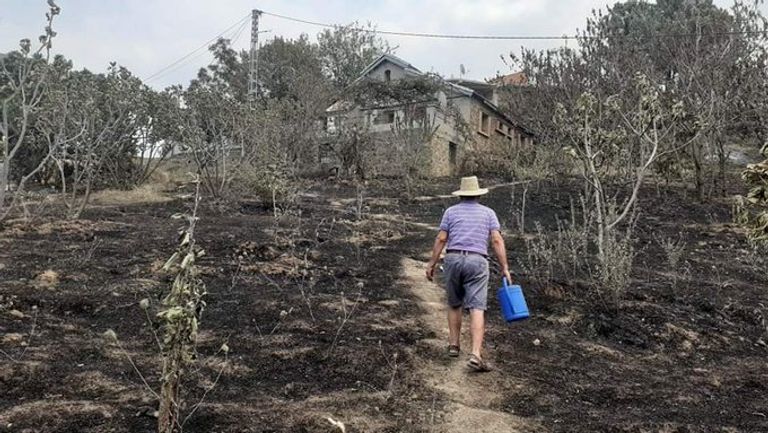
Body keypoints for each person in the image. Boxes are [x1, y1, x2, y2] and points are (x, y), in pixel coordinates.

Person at [425, 176, 512, 372]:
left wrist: (432, 263)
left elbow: (441, 238)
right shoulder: (489, 213)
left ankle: (454, 345)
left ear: (461, 194)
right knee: (477, 307)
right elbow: (497, 240)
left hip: (453, 259)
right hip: (477, 261)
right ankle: (475, 353)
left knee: (454, 303)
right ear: (478, 195)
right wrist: (505, 267)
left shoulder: (450, 212)